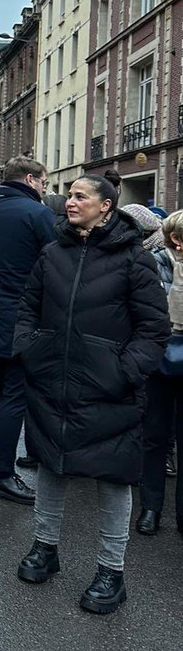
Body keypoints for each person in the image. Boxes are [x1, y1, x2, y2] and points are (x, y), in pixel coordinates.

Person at [13, 175, 169, 614]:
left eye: (81, 196)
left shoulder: (134, 259)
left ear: (106, 206)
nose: (70, 202)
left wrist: (124, 372)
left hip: (110, 388)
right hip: (53, 380)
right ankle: (45, 548)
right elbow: (28, 307)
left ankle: (110, 572)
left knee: (113, 479)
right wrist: (32, 350)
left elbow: (153, 328)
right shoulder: (52, 253)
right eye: (70, 195)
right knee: (51, 464)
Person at [0, 156, 55, 504]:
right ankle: (2, 474)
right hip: (24, 315)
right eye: (44, 181)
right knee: (14, 394)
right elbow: (54, 261)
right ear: (32, 179)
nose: (45, 188)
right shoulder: (37, 213)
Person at [136, 208, 183, 537]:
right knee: (154, 437)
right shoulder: (153, 263)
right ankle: (150, 507)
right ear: (176, 240)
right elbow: (144, 314)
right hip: (160, 361)